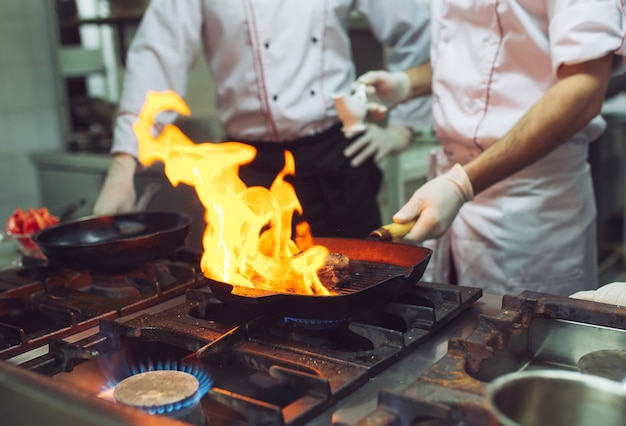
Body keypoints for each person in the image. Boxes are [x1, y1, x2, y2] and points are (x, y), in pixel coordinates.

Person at [92, 0, 431, 239]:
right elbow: (157, 55)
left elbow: (414, 31)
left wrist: (402, 129)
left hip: (335, 163)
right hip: (249, 174)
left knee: (358, 298)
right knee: (254, 313)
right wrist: (122, 168)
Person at [357, 0, 626, 297]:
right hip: (452, 192)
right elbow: (478, 54)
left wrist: (461, 184)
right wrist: (407, 83)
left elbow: (585, 86)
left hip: (530, 204)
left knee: (530, 338)